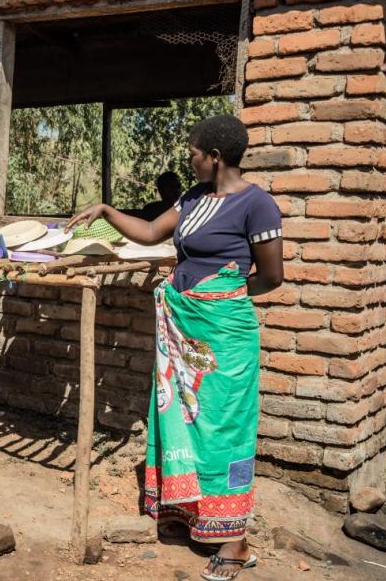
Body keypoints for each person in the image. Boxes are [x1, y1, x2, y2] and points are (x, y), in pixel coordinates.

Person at [66, 115, 283, 581]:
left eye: (193, 151)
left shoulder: (257, 205)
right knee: (186, 419)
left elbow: (270, 277)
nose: (189, 157)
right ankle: (195, 514)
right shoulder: (190, 199)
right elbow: (148, 233)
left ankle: (235, 541)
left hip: (224, 334)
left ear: (215, 156)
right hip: (183, 330)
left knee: (225, 426)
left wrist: (217, 297)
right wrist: (105, 210)